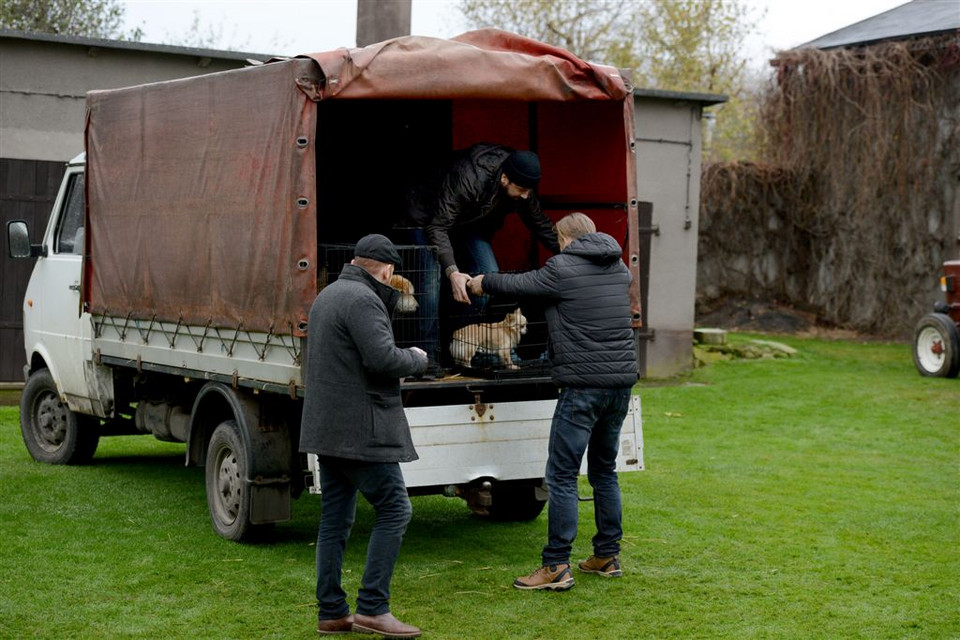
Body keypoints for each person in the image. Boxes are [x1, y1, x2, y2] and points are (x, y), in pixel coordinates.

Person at [466, 212, 637, 591]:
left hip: (582, 387)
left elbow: (521, 284)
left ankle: (556, 566)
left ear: (564, 238)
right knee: (604, 471)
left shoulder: (562, 268)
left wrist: (479, 282)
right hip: (619, 385)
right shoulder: (618, 267)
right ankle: (607, 555)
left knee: (560, 475)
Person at [300, 234, 428, 637]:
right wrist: (417, 359)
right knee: (396, 509)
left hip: (327, 428)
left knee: (335, 520)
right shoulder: (363, 300)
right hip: (361, 431)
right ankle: (373, 607)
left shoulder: (328, 295)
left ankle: (332, 612)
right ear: (387, 271)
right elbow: (383, 359)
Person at [404, 143, 561, 367]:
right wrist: (453, 272)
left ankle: (466, 346)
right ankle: (427, 358)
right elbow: (438, 227)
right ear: (505, 178)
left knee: (489, 278)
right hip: (426, 219)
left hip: (467, 222)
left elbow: (540, 223)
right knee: (430, 283)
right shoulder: (469, 176)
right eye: (523, 190)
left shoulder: (520, 182)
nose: (526, 197)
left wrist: (574, 254)